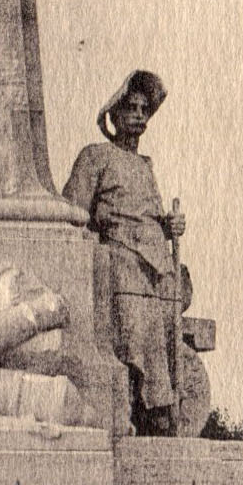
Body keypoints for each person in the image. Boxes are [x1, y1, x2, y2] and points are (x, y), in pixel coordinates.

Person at [62, 73, 186, 436]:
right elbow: (73, 212)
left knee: (157, 349)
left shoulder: (145, 166)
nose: (138, 115)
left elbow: (145, 220)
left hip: (155, 271)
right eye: (130, 108)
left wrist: (168, 226)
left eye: (144, 109)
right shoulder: (96, 156)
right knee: (131, 345)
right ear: (114, 116)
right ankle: (130, 416)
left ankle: (156, 417)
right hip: (118, 267)